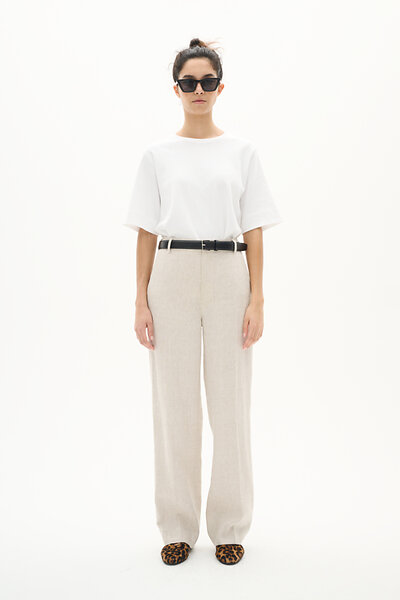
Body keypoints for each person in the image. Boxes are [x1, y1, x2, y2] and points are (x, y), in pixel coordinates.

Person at [123, 38, 283, 566]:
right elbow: (146, 230)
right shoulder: (157, 156)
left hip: (227, 272)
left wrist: (257, 297)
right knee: (174, 403)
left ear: (220, 87)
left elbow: (254, 227)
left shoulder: (242, 152)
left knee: (230, 401)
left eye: (207, 81)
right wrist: (140, 299)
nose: (198, 90)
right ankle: (177, 526)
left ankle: (230, 525)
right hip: (169, 274)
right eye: (189, 82)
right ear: (176, 89)